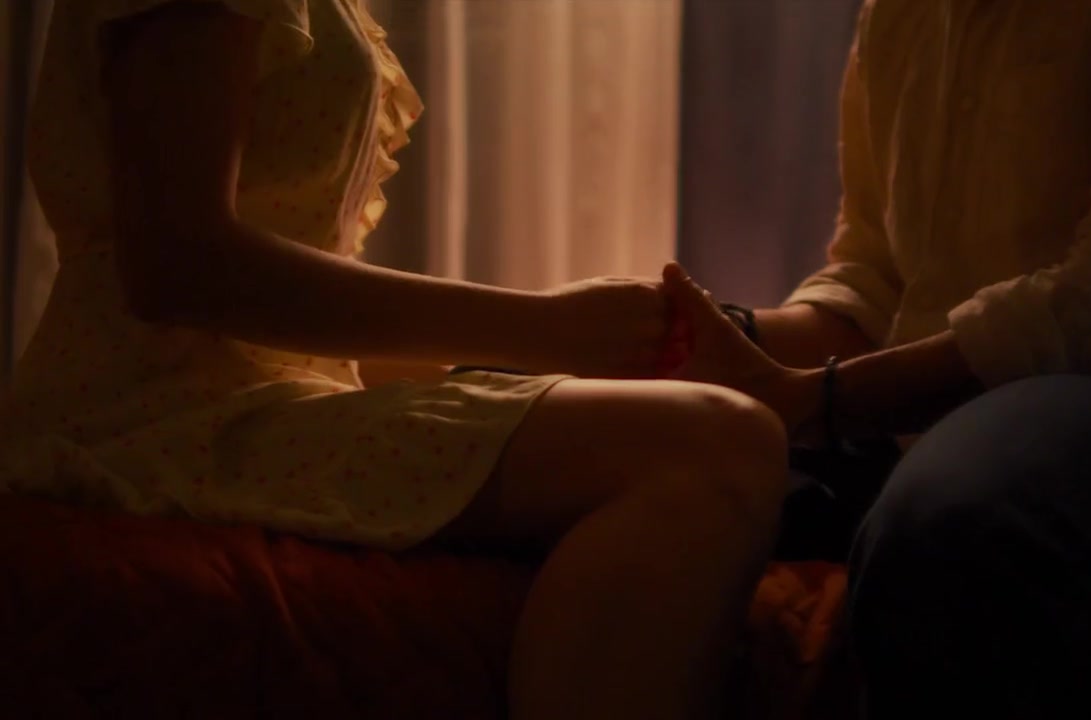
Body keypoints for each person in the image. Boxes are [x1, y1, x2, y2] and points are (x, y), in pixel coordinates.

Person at [0, 2, 794, 719]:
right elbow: (180, 267)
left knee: (700, 430)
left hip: (239, 402)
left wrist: (545, 360)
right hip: (152, 421)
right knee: (715, 443)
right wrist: (543, 328)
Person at [655, 1, 1091, 717]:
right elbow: (875, 272)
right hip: (961, 379)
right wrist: (719, 340)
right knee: (683, 467)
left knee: (952, 528)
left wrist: (823, 399)